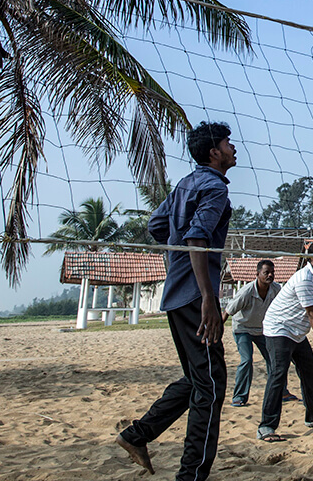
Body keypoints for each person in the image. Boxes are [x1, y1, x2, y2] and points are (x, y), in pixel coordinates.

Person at [116, 122, 236, 480]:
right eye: (228, 143)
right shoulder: (214, 187)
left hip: (177, 294)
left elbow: (157, 225)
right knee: (212, 385)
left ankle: (137, 435)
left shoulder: (187, 182)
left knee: (199, 379)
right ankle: (191, 475)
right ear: (214, 152)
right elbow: (197, 238)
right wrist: (207, 299)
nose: (234, 148)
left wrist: (178, 261)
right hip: (194, 297)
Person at [257, 239, 313, 441]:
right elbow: (312, 315)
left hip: (296, 331)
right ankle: (266, 427)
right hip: (278, 328)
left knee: (309, 368)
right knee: (278, 373)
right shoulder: (304, 277)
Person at [222, 259, 296, 407]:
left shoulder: (276, 290)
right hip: (243, 329)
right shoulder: (247, 292)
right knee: (247, 360)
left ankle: (282, 392)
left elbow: (284, 309)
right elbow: (227, 312)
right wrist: (216, 331)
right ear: (257, 274)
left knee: (275, 360)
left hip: (263, 330)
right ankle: (239, 397)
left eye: (272, 273)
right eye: (266, 272)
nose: (270, 275)